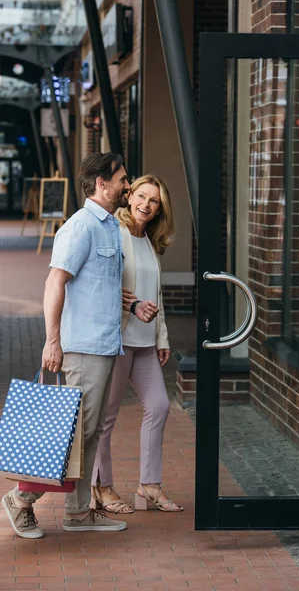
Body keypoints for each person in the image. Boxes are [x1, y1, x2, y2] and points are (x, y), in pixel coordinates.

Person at [1, 152, 158, 539]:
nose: (128, 185)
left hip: (105, 346)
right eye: (122, 179)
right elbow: (55, 283)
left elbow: (101, 285)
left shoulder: (108, 228)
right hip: (83, 347)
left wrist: (134, 304)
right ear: (102, 184)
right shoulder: (81, 227)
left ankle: (78, 512)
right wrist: (52, 341)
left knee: (86, 434)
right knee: (73, 432)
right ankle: (20, 499)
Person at [91, 174, 183, 514]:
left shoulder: (148, 242)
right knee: (106, 419)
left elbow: (155, 294)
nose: (146, 204)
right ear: (129, 197)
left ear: (160, 209)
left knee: (158, 406)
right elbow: (99, 283)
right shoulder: (113, 233)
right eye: (141, 196)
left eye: (154, 200)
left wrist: (162, 337)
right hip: (117, 341)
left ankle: (149, 484)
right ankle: (101, 486)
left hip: (144, 344)